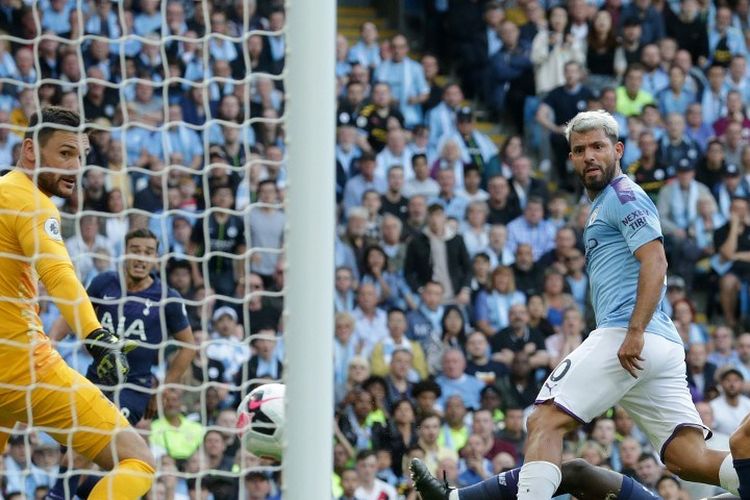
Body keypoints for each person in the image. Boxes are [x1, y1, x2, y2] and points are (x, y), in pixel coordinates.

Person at [512, 109, 749, 498]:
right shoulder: (604, 203)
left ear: (618, 149)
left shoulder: (624, 195)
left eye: (598, 147)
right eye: (580, 149)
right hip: (659, 343)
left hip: (629, 333)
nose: (589, 156)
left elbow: (656, 262)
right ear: (570, 159)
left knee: (543, 420)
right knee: (686, 458)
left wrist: (634, 331)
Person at [0, 107, 155, 499]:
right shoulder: (31, 202)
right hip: (22, 367)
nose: (74, 168)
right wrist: (96, 335)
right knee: (138, 461)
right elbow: (60, 277)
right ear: (31, 150)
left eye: (80, 157)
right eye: (65, 154)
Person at [47, 227, 195, 498]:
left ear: (156, 259)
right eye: (135, 250)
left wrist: (162, 388)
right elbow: (75, 313)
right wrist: (51, 341)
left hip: (134, 390)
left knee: (83, 447)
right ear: (124, 252)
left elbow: (188, 346)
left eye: (148, 253)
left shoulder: (167, 297)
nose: (141, 258)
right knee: (73, 455)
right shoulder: (104, 283)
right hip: (94, 381)